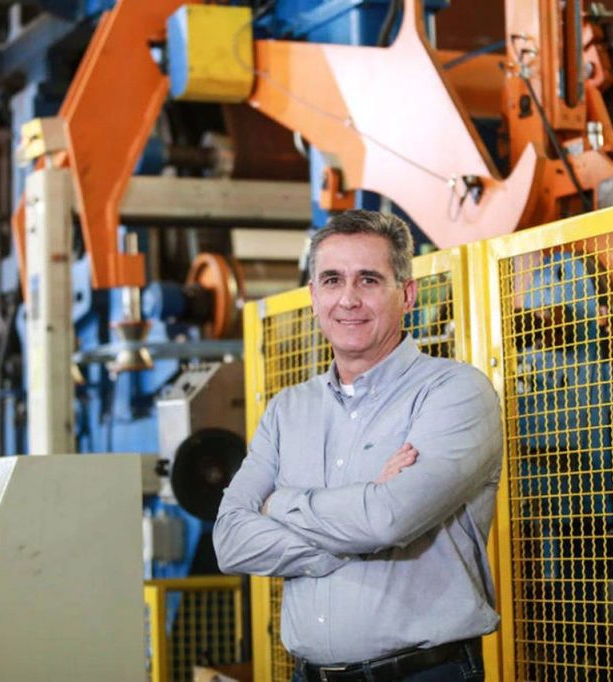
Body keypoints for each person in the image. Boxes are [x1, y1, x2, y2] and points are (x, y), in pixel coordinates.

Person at [214, 209, 503, 681]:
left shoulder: (455, 392)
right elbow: (230, 542)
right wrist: (360, 529)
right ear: (313, 296)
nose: (348, 299)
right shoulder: (287, 411)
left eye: (369, 280)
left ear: (406, 294)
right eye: (332, 280)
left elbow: (389, 519)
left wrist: (278, 505)